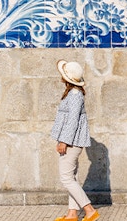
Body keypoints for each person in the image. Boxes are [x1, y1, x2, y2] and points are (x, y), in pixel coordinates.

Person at [51, 60, 98, 221]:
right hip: (71, 140)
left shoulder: (75, 95)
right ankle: (72, 213)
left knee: (66, 178)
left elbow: (73, 120)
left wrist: (64, 141)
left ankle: (89, 209)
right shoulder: (72, 93)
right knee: (72, 177)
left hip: (71, 141)